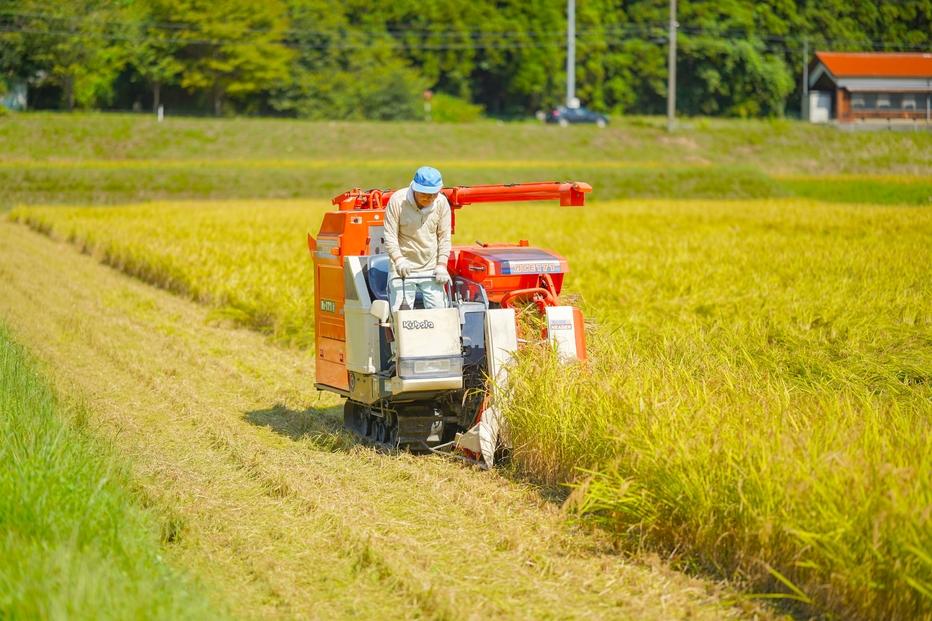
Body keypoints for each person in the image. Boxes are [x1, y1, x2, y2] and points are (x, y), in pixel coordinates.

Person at [383, 166, 452, 310]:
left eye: (434, 194)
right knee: (401, 315)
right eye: (425, 194)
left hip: (431, 268)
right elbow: (390, 235)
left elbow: (444, 236)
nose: (430, 198)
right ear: (414, 188)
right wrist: (398, 259)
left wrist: (442, 265)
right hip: (403, 268)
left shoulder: (441, 202)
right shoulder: (397, 201)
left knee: (440, 312)